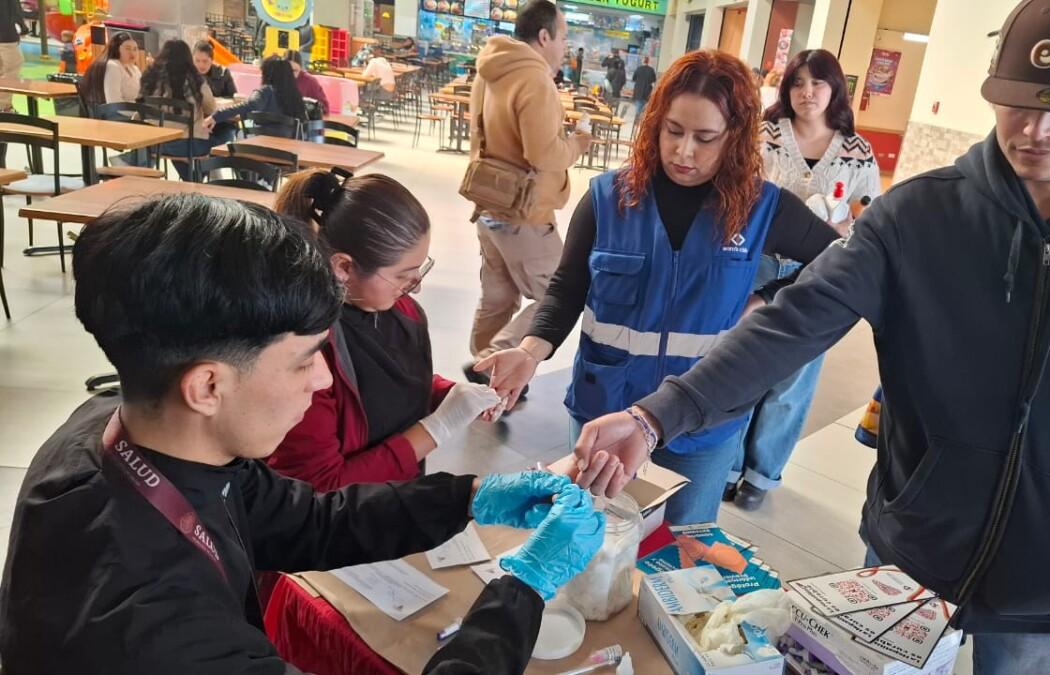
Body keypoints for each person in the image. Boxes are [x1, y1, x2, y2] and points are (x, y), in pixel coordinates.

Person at [571, 1, 1050, 673]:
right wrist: (656, 414)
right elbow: (792, 323)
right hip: (912, 558)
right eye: (1018, 102)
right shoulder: (917, 217)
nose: (1037, 130)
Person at [0, 192, 605, 673]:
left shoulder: (134, 429)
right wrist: (521, 587)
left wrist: (468, 497)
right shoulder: (154, 629)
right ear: (208, 386)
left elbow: (311, 518)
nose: (322, 380)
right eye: (304, 359)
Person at [477, 50, 838, 525]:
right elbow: (567, 287)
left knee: (683, 551)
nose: (684, 152)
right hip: (604, 410)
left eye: (705, 138)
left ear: (735, 137)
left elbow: (837, 260)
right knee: (590, 537)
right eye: (674, 131)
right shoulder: (609, 198)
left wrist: (768, 299)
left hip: (701, 421)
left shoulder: (761, 208)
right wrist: (530, 350)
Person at [271, 169, 504, 490]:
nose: (415, 287)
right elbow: (320, 489)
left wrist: (449, 395)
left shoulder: (402, 312)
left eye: (421, 268)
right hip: (342, 523)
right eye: (402, 275)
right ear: (344, 267)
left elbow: (394, 384)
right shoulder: (306, 353)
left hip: (396, 501)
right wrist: (437, 427)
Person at [728, 49, 882, 511]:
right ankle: (727, 463)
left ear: (835, 89)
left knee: (793, 379)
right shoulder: (763, 136)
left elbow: (871, 215)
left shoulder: (856, 150)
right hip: (755, 265)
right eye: (797, 83)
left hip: (818, 273)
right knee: (737, 363)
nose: (807, 92)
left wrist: (844, 230)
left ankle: (761, 473)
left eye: (818, 83)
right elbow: (736, 193)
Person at [461, 0, 590, 388]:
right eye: (563, 36)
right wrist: (577, 142)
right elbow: (544, 153)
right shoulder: (534, 78)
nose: (565, 45)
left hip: (489, 200)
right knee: (562, 288)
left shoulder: (491, 68)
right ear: (544, 36)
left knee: (498, 296)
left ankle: (487, 374)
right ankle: (491, 361)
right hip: (524, 211)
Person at [139, 39, 217, 181]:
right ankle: (196, 180)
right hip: (188, 145)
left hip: (154, 144)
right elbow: (211, 108)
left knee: (179, 138)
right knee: (220, 140)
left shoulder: (149, 77)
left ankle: (192, 181)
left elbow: (140, 105)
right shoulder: (194, 79)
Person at [207, 56, 310, 140]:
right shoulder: (296, 95)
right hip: (290, 153)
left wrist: (216, 116)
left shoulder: (266, 91)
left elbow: (249, 105)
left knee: (240, 132)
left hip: (263, 148)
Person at [78, 32, 140, 109]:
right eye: (128, 48)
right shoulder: (113, 66)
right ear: (117, 49)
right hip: (115, 115)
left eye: (135, 49)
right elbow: (114, 103)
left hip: (134, 112)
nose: (132, 53)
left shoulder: (134, 68)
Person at [285, 49, 330, 116]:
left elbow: (325, 109)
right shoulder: (277, 79)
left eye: (295, 70)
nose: (291, 74)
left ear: (300, 68)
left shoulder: (310, 82)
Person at [0, 0, 26, 112]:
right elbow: (15, 9)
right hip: (5, 35)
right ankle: (4, 107)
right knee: (10, 71)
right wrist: (22, 27)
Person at [629, 56, 656, 126]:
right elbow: (654, 80)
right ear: (648, 61)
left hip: (638, 90)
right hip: (647, 91)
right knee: (644, 107)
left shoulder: (639, 69)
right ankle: (642, 122)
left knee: (638, 106)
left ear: (643, 61)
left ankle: (637, 121)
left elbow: (634, 78)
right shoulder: (651, 70)